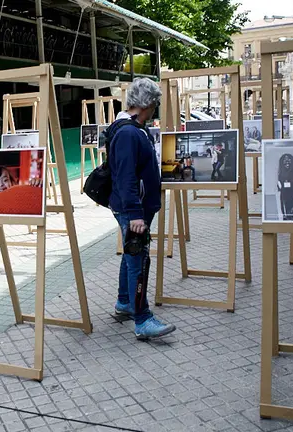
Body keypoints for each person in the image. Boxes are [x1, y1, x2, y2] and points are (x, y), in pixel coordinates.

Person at [108, 77, 175, 340]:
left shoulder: (129, 129)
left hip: (132, 207)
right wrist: (136, 214)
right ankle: (142, 319)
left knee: (131, 255)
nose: (156, 108)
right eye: (155, 103)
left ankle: (125, 302)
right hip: (131, 210)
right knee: (138, 260)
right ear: (146, 103)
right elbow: (125, 175)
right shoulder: (127, 132)